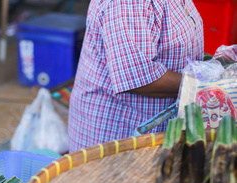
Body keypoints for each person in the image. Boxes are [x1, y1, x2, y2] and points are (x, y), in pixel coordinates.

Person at [68, 0, 204, 152]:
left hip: (158, 131)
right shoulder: (127, 3)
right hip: (118, 139)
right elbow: (139, 79)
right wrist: (206, 84)